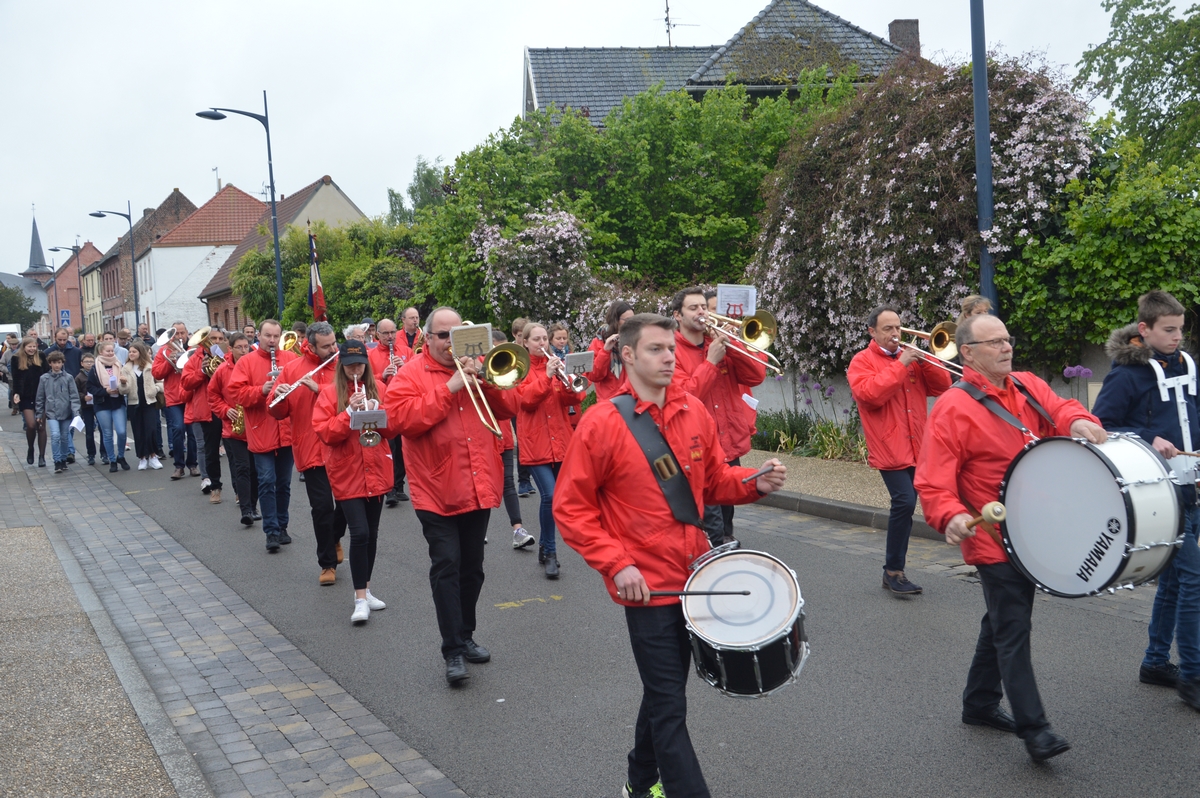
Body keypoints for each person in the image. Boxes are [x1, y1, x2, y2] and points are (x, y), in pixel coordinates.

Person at [554, 313, 786, 798]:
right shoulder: (601, 422)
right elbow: (570, 509)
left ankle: (638, 783)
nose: (668, 357)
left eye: (671, 350)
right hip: (648, 588)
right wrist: (617, 564)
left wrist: (753, 483)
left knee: (666, 696)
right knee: (668, 702)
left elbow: (714, 482)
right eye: (656, 349)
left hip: (695, 579)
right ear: (629, 356)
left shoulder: (694, 412)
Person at [915, 313, 1106, 763]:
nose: (1006, 347)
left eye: (1008, 339)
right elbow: (933, 483)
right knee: (1013, 625)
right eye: (995, 342)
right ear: (968, 353)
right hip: (993, 536)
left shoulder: (1025, 384)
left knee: (1002, 619)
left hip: (1036, 529)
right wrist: (951, 517)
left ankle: (979, 703)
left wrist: (1077, 421)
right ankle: (1035, 729)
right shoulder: (952, 407)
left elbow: (1060, 408)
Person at [383, 306, 520, 685]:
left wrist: (487, 381)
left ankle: (466, 634)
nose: (449, 342)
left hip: (477, 484)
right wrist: (450, 388)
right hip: (435, 488)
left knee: (473, 568)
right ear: (428, 338)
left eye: (455, 334)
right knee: (447, 566)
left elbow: (511, 408)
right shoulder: (411, 373)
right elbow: (398, 421)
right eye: (442, 335)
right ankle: (452, 650)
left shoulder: (479, 367)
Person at [1091, 290, 1200, 709]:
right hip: (1157, 492)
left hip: (1191, 489)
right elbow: (1101, 427)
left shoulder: (1189, 366)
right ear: (1144, 329)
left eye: (1180, 330)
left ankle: (1156, 662)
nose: (1177, 338)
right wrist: (1148, 438)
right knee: (1193, 577)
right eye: (1168, 331)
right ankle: (1192, 675)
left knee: (1174, 581)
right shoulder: (1126, 374)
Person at [848, 306, 954, 596]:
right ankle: (893, 571)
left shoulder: (911, 359)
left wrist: (928, 358)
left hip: (917, 444)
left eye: (898, 327)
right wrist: (901, 364)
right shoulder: (862, 361)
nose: (895, 333)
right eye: (888, 329)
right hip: (889, 446)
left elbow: (943, 386)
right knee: (905, 502)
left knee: (906, 505)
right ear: (872, 332)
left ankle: (894, 570)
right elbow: (869, 395)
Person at [671, 287, 768, 548]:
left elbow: (756, 376)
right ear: (677, 316)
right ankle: (716, 559)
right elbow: (683, 399)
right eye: (693, 308)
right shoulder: (671, 352)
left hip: (728, 443)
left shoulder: (720, 343)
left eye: (703, 306)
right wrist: (711, 363)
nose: (701, 312)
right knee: (713, 526)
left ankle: (721, 550)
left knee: (727, 516)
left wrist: (732, 346)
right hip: (696, 447)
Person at [313, 339, 397, 622]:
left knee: (371, 534)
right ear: (341, 366)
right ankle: (359, 599)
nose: (355, 370)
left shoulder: (380, 389)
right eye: (350, 366)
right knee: (359, 532)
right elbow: (325, 434)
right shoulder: (328, 394)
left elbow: (393, 431)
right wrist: (348, 411)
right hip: (346, 471)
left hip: (376, 468)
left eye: (360, 364)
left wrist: (378, 412)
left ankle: (366, 590)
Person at [268, 322, 346, 584]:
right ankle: (327, 563)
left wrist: (320, 389)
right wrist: (277, 397)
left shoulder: (344, 365)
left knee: (348, 505)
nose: (333, 349)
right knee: (322, 507)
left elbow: (355, 395)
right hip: (311, 448)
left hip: (343, 445)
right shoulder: (292, 369)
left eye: (334, 343)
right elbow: (278, 411)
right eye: (327, 346)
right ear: (310, 346)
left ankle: (335, 536)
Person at [517, 323, 583, 578]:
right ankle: (551, 553)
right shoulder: (518, 369)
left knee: (558, 499)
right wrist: (545, 376)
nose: (542, 343)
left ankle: (545, 547)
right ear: (525, 343)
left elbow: (574, 399)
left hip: (561, 442)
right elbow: (526, 401)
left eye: (545, 338)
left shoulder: (557, 364)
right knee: (550, 497)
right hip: (536, 443)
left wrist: (565, 380)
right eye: (536, 339)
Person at [229, 319, 298, 552]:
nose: (271, 340)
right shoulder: (247, 361)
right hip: (261, 430)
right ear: (258, 336)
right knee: (267, 481)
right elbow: (237, 394)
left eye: (276, 336)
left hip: (286, 431)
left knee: (283, 484)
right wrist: (262, 390)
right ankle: (271, 531)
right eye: (267, 335)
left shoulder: (290, 359)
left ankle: (283, 525)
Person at [492, 329, 535, 550]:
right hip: (482, 437)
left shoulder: (506, 371)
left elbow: (515, 403)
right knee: (480, 485)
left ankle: (517, 529)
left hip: (503, 435)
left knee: (508, 482)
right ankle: (473, 529)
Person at [211, 333, 259, 526]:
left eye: (246, 346)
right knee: (242, 468)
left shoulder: (255, 365)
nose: (244, 350)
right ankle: (246, 509)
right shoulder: (222, 370)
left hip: (255, 426)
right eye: (239, 346)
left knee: (255, 470)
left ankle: (253, 506)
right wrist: (225, 410)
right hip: (234, 428)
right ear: (230, 349)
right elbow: (212, 396)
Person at [368, 318, 412, 506]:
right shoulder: (371, 354)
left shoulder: (407, 352)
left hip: (403, 405)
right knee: (390, 448)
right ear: (378, 334)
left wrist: (404, 370)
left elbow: (416, 375)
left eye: (392, 332)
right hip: (383, 405)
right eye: (385, 333)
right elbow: (366, 380)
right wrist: (382, 375)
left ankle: (399, 486)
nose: (390, 336)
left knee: (403, 449)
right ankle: (390, 489)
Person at [181, 328, 227, 499]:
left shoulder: (227, 356)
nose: (216, 341)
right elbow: (185, 383)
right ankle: (215, 485)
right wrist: (201, 371)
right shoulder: (195, 359)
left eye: (220, 338)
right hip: (208, 409)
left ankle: (240, 491)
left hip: (228, 406)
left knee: (236, 450)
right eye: (212, 338)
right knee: (211, 449)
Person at [152, 322, 198, 479]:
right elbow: (157, 374)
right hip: (173, 396)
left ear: (186, 333)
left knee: (192, 432)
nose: (179, 337)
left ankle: (193, 464)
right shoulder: (163, 351)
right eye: (176, 334)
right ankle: (179, 466)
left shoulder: (193, 350)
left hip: (191, 395)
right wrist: (168, 361)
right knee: (178, 429)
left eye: (182, 333)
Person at [89, 341, 131, 473]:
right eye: (108, 351)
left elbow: (127, 383)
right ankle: (112, 460)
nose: (111, 353)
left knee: (121, 431)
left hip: (117, 402)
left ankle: (121, 456)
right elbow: (90, 387)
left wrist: (123, 384)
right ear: (101, 352)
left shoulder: (119, 364)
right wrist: (105, 391)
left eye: (112, 351)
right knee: (107, 434)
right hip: (102, 404)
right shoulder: (95, 368)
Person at [35, 351, 80, 474]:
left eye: (59, 362)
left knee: (65, 436)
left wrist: (76, 412)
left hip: (65, 412)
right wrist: (39, 414)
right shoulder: (44, 378)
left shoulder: (68, 378)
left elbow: (74, 397)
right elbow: (40, 397)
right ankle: (57, 460)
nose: (56, 365)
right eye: (54, 363)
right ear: (50, 364)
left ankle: (64, 458)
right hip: (51, 412)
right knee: (55, 435)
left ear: (62, 363)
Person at [122, 342, 163, 470]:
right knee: (138, 431)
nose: (131, 354)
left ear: (140, 352)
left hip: (149, 402)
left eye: (134, 351)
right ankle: (142, 458)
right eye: (130, 352)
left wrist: (155, 389)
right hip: (134, 403)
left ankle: (153, 456)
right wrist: (123, 384)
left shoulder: (150, 366)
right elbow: (123, 391)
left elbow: (161, 382)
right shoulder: (126, 368)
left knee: (151, 430)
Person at [587, 300, 636, 402]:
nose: (631, 324)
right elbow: (594, 376)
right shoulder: (598, 342)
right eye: (627, 320)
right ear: (616, 320)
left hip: (632, 400)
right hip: (609, 403)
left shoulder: (635, 340)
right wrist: (605, 351)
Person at [11, 337, 48, 466]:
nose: (32, 349)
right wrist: (16, 393)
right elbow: (16, 378)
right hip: (25, 396)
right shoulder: (16, 359)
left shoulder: (42, 356)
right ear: (24, 347)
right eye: (29, 347)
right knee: (31, 425)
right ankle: (31, 448)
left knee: (41, 426)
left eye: (34, 347)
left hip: (41, 396)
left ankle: (42, 456)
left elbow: (47, 375)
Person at [74, 353, 99, 465]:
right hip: (86, 406)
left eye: (91, 361)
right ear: (82, 363)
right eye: (87, 362)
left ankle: (104, 453)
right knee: (89, 431)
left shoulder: (97, 373)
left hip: (98, 404)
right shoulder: (79, 377)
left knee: (103, 429)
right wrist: (83, 397)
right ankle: (91, 454)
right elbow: (76, 391)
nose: (89, 364)